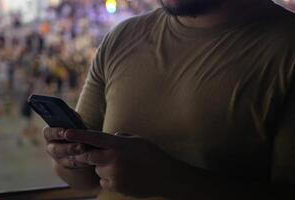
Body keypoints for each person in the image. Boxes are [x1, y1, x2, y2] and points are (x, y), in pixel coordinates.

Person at [43, 0, 295, 199]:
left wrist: (171, 180)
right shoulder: (121, 38)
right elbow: (84, 180)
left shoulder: (285, 47)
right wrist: (67, 157)